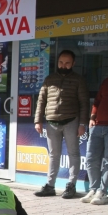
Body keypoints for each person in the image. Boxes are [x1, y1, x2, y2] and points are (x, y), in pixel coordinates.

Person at [34, 50, 89, 199]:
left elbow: (84, 103)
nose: (63, 66)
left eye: (67, 63)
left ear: (73, 64)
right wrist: (38, 120)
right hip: (51, 122)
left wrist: (83, 123)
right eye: (61, 62)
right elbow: (41, 100)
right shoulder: (49, 79)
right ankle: (50, 186)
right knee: (53, 155)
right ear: (57, 62)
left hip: (71, 120)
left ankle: (71, 185)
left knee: (73, 153)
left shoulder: (78, 80)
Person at [81, 75, 108, 205]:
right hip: (97, 125)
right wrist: (92, 117)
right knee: (91, 159)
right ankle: (93, 189)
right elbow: (97, 101)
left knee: (107, 161)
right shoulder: (106, 81)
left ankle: (102, 192)